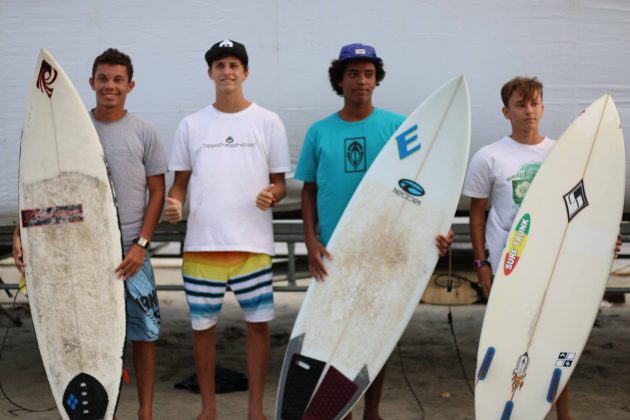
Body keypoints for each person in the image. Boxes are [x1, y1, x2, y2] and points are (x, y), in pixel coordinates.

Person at [294, 43, 453, 420]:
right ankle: (341, 411)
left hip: (383, 250)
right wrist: (311, 240)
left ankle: (372, 412)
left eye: (367, 73)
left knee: (373, 336)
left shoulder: (400, 127)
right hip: (334, 250)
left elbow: (423, 183)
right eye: (352, 73)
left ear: (376, 79)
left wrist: (435, 231)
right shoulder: (319, 132)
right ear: (339, 79)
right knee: (335, 337)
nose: (361, 81)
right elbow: (309, 190)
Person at [13, 48, 167, 420]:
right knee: (82, 330)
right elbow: (39, 188)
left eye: (117, 80)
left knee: (144, 336)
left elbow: (158, 191)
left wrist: (142, 245)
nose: (109, 86)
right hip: (81, 254)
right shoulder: (69, 133)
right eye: (103, 79)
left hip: (130, 254)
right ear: (91, 83)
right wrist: (22, 234)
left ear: (130, 85)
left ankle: (145, 411)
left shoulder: (144, 131)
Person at [164, 39, 291, 420]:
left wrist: (273, 193)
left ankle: (256, 411)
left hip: (253, 244)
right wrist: (174, 203)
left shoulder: (268, 121)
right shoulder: (192, 124)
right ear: (210, 73)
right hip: (203, 244)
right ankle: (208, 409)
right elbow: (179, 183)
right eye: (220, 65)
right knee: (202, 330)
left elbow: (280, 182)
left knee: (258, 329)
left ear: (246, 72)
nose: (227, 72)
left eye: (234, 65)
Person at [462, 76, 569, 419]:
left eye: (534, 103)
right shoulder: (489, 157)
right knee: (508, 345)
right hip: (508, 267)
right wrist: (481, 263)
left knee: (555, 346)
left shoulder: (561, 153)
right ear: (506, 111)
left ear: (542, 106)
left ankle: (562, 414)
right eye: (520, 105)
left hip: (550, 264)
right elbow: (476, 213)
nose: (529, 111)